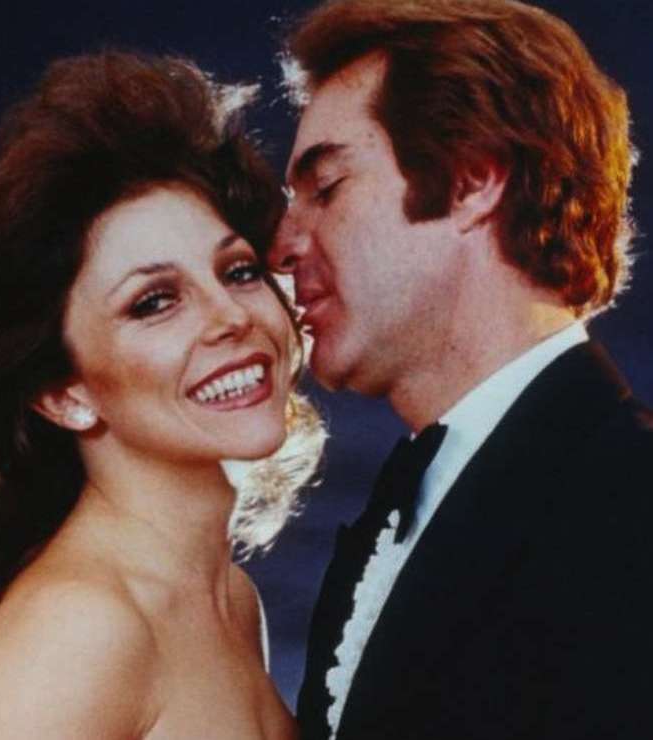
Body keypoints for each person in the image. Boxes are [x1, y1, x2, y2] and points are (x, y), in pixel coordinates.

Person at [0, 51, 325, 738]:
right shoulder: (81, 632)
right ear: (63, 392)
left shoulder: (228, 597)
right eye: (154, 302)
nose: (230, 316)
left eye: (239, 270)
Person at [269, 1, 653, 738]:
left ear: (474, 180)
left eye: (326, 188)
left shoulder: (633, 507)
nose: (281, 245)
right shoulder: (396, 511)